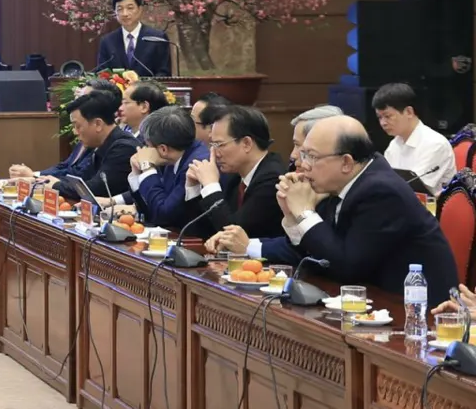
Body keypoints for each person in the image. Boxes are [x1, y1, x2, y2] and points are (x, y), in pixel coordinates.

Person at [206, 115, 458, 296]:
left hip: (414, 311)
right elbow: (314, 253)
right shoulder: (341, 183)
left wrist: (305, 212)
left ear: (346, 162)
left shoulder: (380, 191)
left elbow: (346, 266)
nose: (303, 165)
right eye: (303, 154)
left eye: (311, 156)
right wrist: (291, 216)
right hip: (367, 297)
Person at [9, 89, 137, 201]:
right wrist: (38, 180)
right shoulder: (99, 143)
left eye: (77, 126)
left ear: (98, 124)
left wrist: (55, 185)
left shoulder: (123, 147)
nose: (75, 132)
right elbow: (79, 178)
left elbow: (94, 189)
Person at [194, 105, 291, 246]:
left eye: (219, 144)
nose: (214, 153)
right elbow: (202, 230)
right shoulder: (236, 176)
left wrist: (210, 186)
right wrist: (194, 188)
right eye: (212, 145)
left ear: (246, 143)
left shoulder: (273, 179)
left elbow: (233, 234)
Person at [113, 105, 214, 233]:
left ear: (163, 149)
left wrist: (147, 168)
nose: (145, 150)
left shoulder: (194, 164)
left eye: (148, 145)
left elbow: (163, 216)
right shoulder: (171, 158)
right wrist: (137, 173)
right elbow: (150, 213)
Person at [373, 82, 455, 196]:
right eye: (379, 117)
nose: (383, 123)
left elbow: (414, 188)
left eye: (388, 116)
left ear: (409, 112)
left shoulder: (435, 144)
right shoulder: (394, 144)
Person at [95, 0, 172, 76]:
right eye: (119, 9)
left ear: (140, 9)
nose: (125, 14)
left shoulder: (157, 38)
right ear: (115, 12)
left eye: (130, 8)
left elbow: (164, 73)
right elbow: (102, 73)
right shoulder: (107, 41)